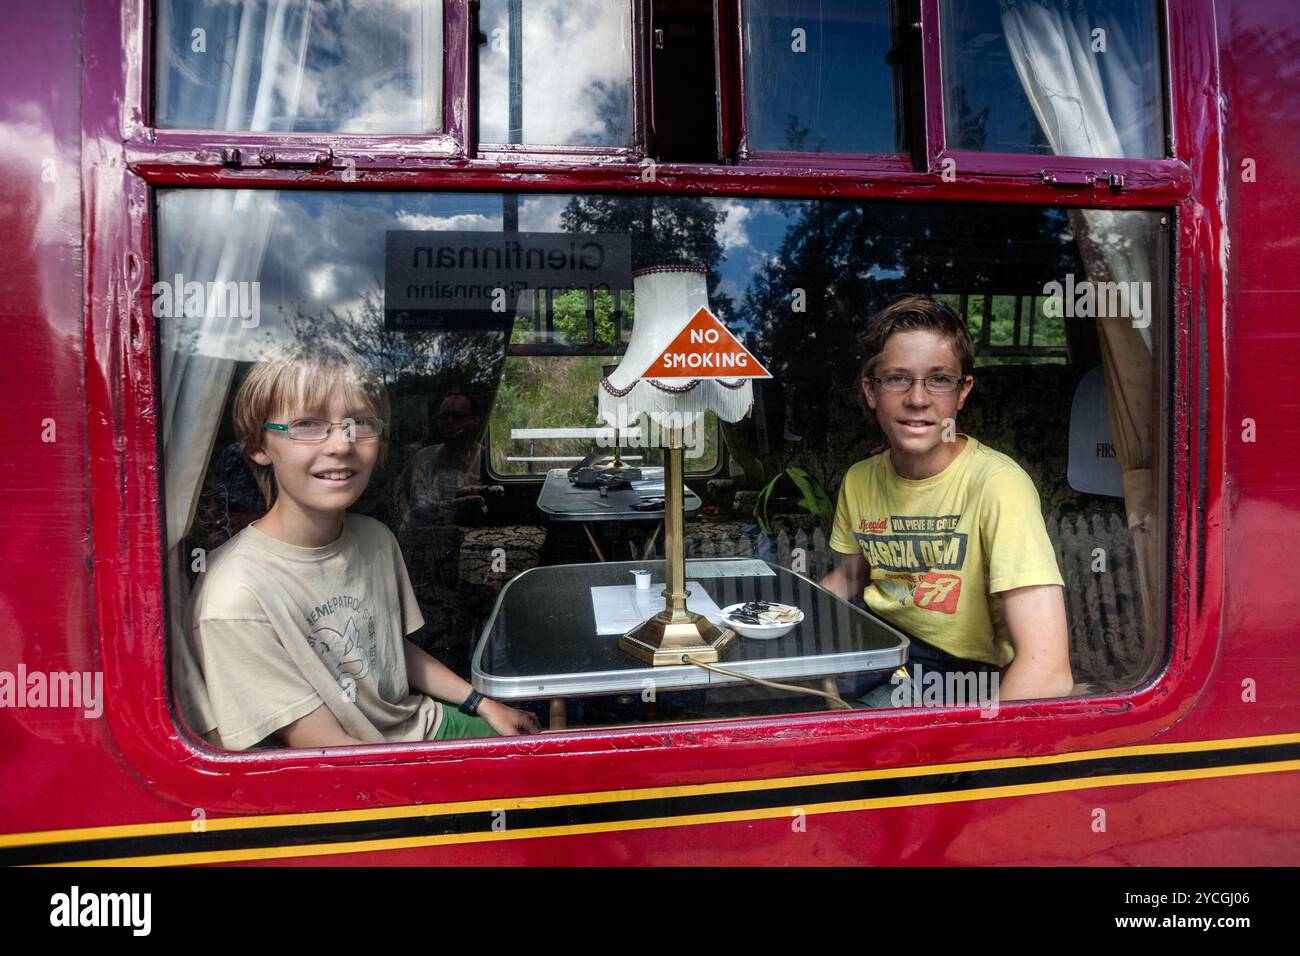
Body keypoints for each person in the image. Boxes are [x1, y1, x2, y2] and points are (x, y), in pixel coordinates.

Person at [178, 343, 540, 750]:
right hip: (367, 761)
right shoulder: (234, 599)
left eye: (359, 423)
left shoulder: (375, 538)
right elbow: (329, 748)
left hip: (426, 723)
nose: (341, 445)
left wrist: (482, 703)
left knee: (542, 744)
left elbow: (387, 649)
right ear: (259, 447)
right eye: (308, 424)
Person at [820, 295, 1074, 708]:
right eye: (897, 378)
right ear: (871, 390)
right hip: (880, 644)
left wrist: (980, 759)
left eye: (938, 379)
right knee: (769, 699)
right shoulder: (861, 478)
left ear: (962, 391)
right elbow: (852, 575)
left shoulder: (998, 485)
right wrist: (784, 619)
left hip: (956, 670)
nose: (918, 399)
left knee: (857, 733)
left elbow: (1049, 670)